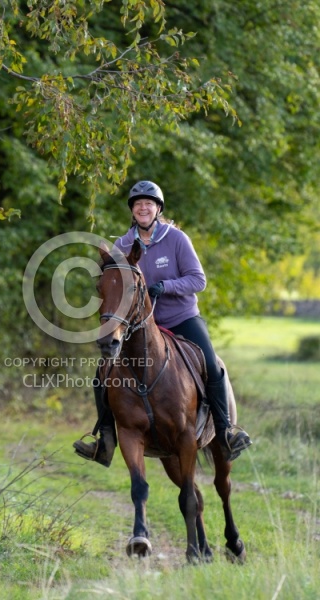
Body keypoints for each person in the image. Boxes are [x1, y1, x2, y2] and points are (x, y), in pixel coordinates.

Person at [73, 180, 252, 466]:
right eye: (137, 204)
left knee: (212, 364)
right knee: (103, 370)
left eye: (149, 203)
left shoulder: (177, 239)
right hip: (139, 326)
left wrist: (165, 286)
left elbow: (199, 280)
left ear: (157, 209)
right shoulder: (121, 245)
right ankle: (105, 441)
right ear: (132, 211)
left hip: (181, 318)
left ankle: (225, 432)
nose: (143, 207)